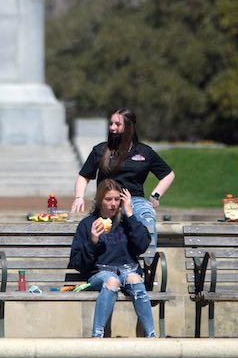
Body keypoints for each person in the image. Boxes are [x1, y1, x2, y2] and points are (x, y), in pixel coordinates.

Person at [70, 108, 174, 260]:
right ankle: (99, 265)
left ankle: (147, 264)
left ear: (129, 127)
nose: (112, 128)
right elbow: (83, 176)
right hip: (106, 200)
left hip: (134, 200)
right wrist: (79, 197)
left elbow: (168, 174)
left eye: (117, 124)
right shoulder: (100, 150)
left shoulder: (144, 152)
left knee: (147, 218)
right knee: (93, 225)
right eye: (111, 124)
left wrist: (155, 195)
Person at [69, 178, 156, 338]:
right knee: (112, 280)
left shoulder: (127, 222)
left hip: (128, 270)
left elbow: (142, 245)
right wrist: (93, 242)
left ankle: (152, 335)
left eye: (117, 199)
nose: (113, 204)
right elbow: (78, 263)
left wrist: (130, 213)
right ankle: (97, 335)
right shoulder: (88, 224)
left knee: (134, 279)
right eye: (108, 199)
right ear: (99, 201)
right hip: (100, 274)